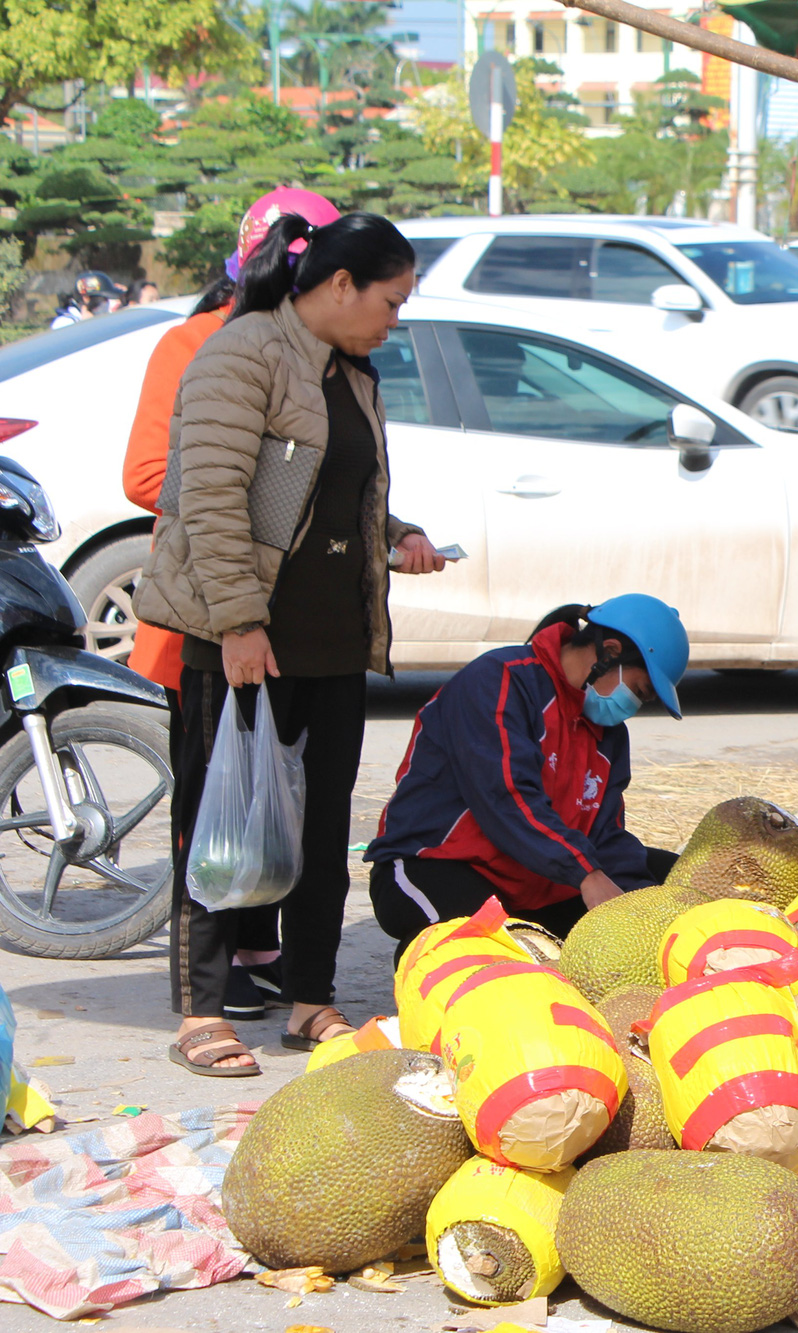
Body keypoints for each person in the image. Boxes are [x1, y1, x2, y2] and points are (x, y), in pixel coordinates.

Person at [134, 210, 445, 1076]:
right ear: (339, 285)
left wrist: (396, 535)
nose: (395, 319)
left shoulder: (353, 370)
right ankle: (202, 1009)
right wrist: (238, 621)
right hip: (244, 640)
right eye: (390, 300)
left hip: (334, 644)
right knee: (216, 824)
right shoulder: (243, 355)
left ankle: (309, 999)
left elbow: (324, 493)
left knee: (319, 829)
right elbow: (215, 500)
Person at [121, 188, 343, 1024]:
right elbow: (156, 475)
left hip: (298, 623)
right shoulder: (203, 344)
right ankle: (210, 980)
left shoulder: (326, 353)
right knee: (216, 796)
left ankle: (259, 943)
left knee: (277, 792)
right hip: (214, 612)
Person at [366, 597, 690, 952]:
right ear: (608, 652)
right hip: (437, 863)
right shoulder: (499, 680)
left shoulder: (608, 733)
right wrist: (586, 874)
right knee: (483, 948)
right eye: (639, 693)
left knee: (675, 888)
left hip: (537, 880)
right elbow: (506, 798)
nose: (633, 707)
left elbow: (606, 833)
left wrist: (638, 903)